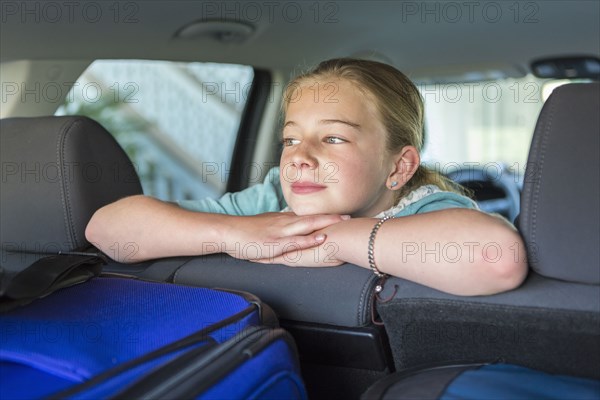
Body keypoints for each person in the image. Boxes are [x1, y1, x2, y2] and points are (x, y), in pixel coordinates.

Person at [86, 58, 527, 296]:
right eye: (291, 139)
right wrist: (232, 233)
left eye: (333, 139)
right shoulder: (270, 203)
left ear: (399, 167)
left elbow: (494, 257)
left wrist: (329, 240)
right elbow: (107, 229)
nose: (300, 158)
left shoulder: (426, 209)